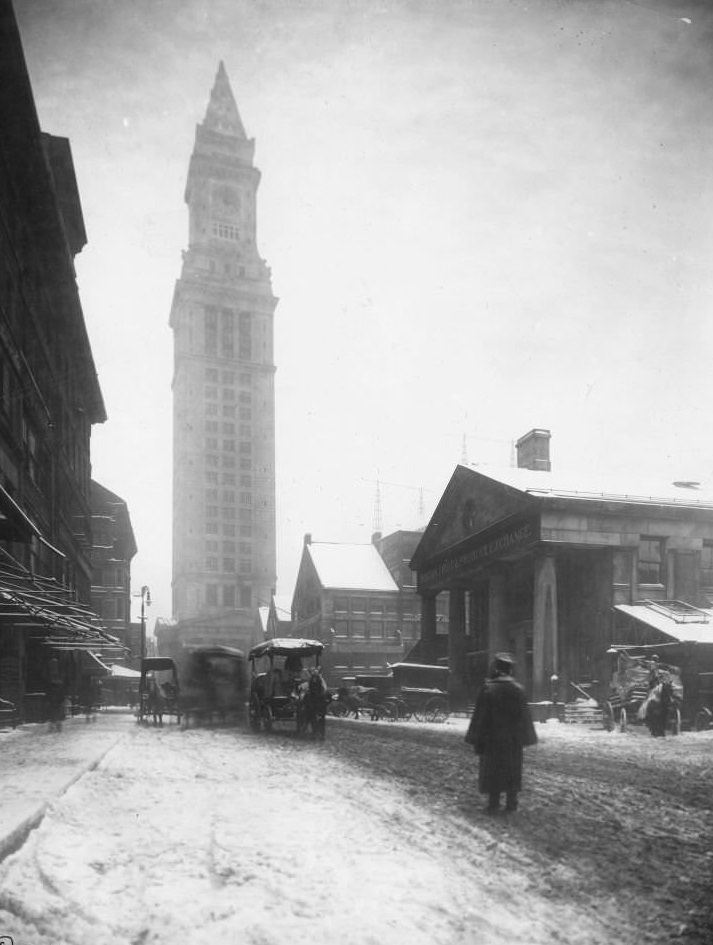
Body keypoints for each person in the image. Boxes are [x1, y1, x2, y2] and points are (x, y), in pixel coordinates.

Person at [465, 653, 537, 813]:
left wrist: (477, 739)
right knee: (512, 769)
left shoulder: (488, 689)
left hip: (493, 739)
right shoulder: (518, 690)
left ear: (497, 669)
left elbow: (480, 718)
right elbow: (525, 717)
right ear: (510, 670)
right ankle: (512, 802)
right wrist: (526, 737)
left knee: (493, 769)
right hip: (512, 740)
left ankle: (494, 802)